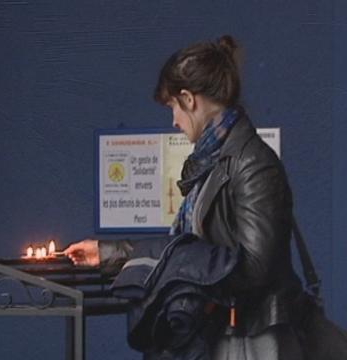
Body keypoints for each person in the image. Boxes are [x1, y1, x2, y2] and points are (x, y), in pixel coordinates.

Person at [64, 35, 306, 359]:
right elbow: (189, 249)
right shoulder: (212, 161)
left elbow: (255, 267)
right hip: (217, 333)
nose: (174, 121)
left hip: (247, 338)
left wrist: (176, 277)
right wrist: (106, 253)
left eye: (172, 108)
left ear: (189, 99)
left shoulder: (252, 163)